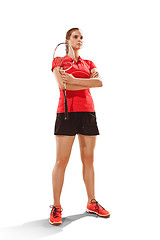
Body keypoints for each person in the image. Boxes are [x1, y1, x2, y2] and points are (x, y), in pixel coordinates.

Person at [49, 28, 110, 225]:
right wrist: (86, 82)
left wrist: (75, 80)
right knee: (61, 161)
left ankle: (91, 203)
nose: (79, 39)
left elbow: (99, 82)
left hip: (88, 113)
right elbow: (62, 86)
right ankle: (56, 206)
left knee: (89, 161)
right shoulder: (58, 61)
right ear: (67, 40)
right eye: (75, 36)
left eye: (81, 37)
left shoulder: (89, 63)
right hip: (66, 113)